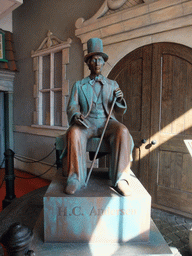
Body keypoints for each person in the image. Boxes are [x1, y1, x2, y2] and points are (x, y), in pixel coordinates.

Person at [64, 38, 133, 196]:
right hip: (86, 123)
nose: (97, 63)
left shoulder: (112, 84)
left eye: (100, 60)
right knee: (73, 132)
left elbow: (120, 110)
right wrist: (76, 115)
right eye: (93, 60)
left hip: (107, 123)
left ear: (103, 63)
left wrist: (120, 99)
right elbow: (72, 105)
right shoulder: (79, 85)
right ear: (88, 63)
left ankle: (121, 179)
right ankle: (75, 178)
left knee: (122, 130)